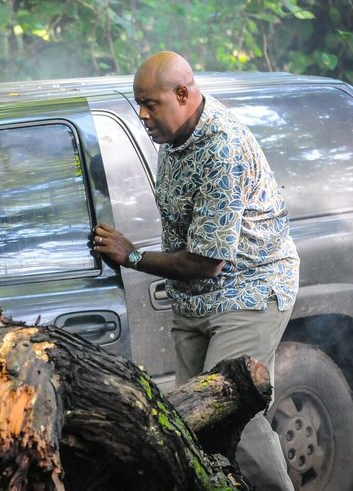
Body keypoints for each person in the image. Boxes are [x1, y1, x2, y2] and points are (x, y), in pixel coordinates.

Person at [91, 51, 299, 490]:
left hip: (247, 292)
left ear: (183, 94)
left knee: (234, 416)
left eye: (150, 104)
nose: (142, 115)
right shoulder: (174, 137)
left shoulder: (222, 148)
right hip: (194, 299)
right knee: (195, 428)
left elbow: (207, 262)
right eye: (139, 104)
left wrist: (131, 256)